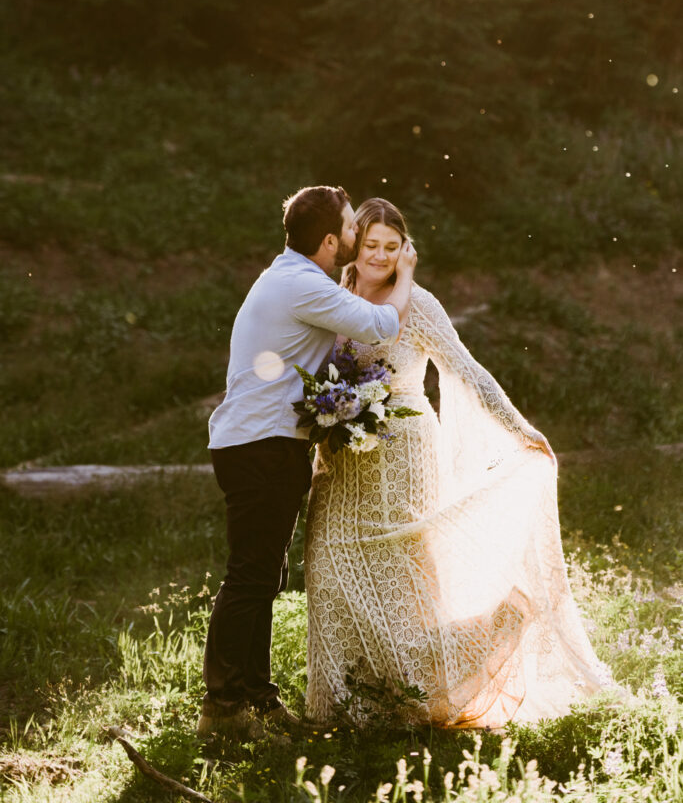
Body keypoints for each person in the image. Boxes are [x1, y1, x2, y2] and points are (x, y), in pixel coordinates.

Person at [305, 198, 609, 729]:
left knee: (402, 594)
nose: (378, 256)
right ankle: (346, 709)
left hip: (400, 454)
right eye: (370, 244)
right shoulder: (335, 296)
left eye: (390, 247)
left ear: (406, 251)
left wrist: (521, 429)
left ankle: (464, 654)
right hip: (339, 459)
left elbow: (468, 372)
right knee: (332, 573)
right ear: (355, 246)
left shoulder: (419, 306)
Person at [198, 186, 417, 738]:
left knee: (262, 577)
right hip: (260, 448)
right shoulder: (302, 286)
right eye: (349, 230)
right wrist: (406, 274)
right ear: (328, 241)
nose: (354, 236)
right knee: (250, 577)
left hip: (262, 445)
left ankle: (257, 699)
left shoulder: (293, 277)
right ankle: (222, 710)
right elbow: (381, 325)